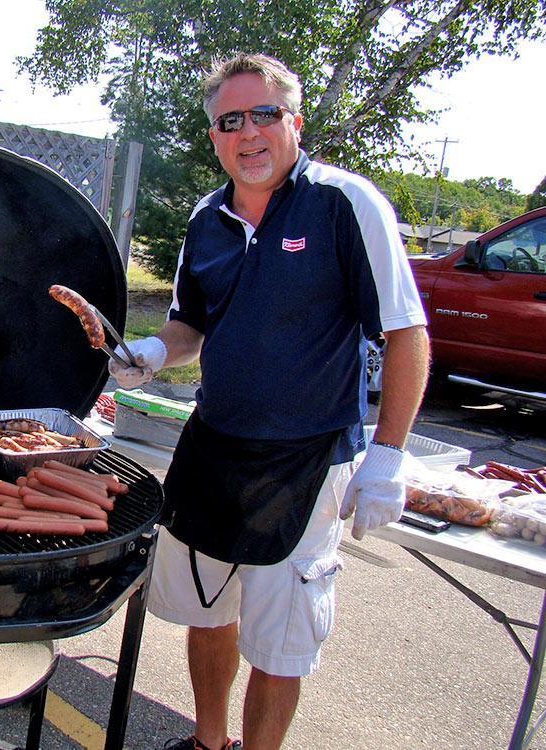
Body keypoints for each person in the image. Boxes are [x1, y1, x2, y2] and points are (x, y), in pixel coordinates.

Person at [108, 53, 430, 750]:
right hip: (214, 448)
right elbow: (191, 325)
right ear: (215, 136)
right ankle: (209, 742)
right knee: (208, 611)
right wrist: (153, 352)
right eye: (230, 121)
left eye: (264, 114)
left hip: (307, 460)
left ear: (295, 122)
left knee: (281, 641)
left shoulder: (346, 204)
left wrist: (389, 456)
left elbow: (406, 333)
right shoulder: (207, 218)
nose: (248, 133)